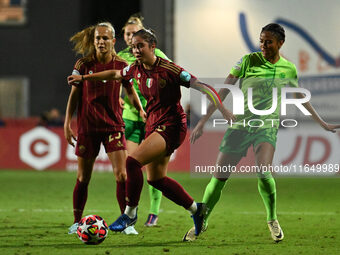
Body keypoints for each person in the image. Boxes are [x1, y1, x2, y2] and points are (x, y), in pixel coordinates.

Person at [68, 28, 235, 238]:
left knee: (132, 162)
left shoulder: (170, 70)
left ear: (152, 47)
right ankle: (197, 210)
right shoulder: (135, 69)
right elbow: (115, 74)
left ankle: (129, 213)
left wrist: (224, 109)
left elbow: (205, 87)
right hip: (154, 126)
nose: (136, 50)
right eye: (133, 47)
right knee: (155, 179)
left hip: (172, 126)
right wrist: (84, 78)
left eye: (140, 46)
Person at [183, 23, 340, 242]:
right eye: (261, 41)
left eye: (269, 42)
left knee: (264, 171)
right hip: (239, 126)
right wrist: (202, 122)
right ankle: (203, 218)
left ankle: (272, 219)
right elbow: (224, 90)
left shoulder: (289, 69)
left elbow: (299, 98)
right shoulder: (248, 61)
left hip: (266, 127)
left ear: (280, 43)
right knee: (218, 178)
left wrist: (321, 123)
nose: (263, 45)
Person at [65, 22, 144, 234]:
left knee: (122, 175)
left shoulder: (120, 65)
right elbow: (74, 95)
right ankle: (76, 221)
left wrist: (141, 110)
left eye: (105, 38)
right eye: (98, 38)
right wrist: (67, 124)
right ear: (93, 41)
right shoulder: (82, 64)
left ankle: (125, 222)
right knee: (83, 178)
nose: (101, 41)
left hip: (113, 127)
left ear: (113, 41)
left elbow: (130, 90)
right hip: (88, 128)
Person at [118, 14, 170, 227]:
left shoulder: (156, 54)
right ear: (124, 35)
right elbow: (112, 80)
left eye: (135, 33)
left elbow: (170, 76)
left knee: (153, 170)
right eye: (128, 34)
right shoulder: (120, 56)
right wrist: (116, 101)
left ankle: (154, 212)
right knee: (132, 165)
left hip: (153, 117)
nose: (131, 38)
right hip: (130, 118)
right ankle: (132, 211)